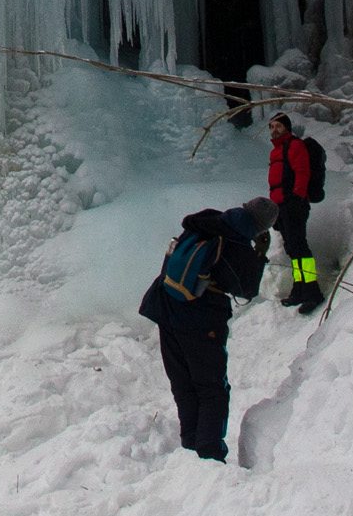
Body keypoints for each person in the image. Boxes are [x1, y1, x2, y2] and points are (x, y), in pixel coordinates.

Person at [135, 197, 271, 461]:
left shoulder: (206, 222)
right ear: (261, 228)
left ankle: (190, 445)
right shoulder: (236, 243)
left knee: (183, 382)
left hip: (165, 306)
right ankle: (209, 454)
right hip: (201, 320)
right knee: (212, 388)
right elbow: (246, 289)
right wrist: (259, 254)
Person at [268, 112, 330, 312]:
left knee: (300, 249)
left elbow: (302, 172)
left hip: (294, 204)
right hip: (281, 207)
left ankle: (312, 291)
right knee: (293, 250)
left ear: (287, 127)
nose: (274, 130)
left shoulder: (294, 146)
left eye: (278, 126)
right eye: (272, 126)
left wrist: (297, 198)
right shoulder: (276, 151)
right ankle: (299, 287)